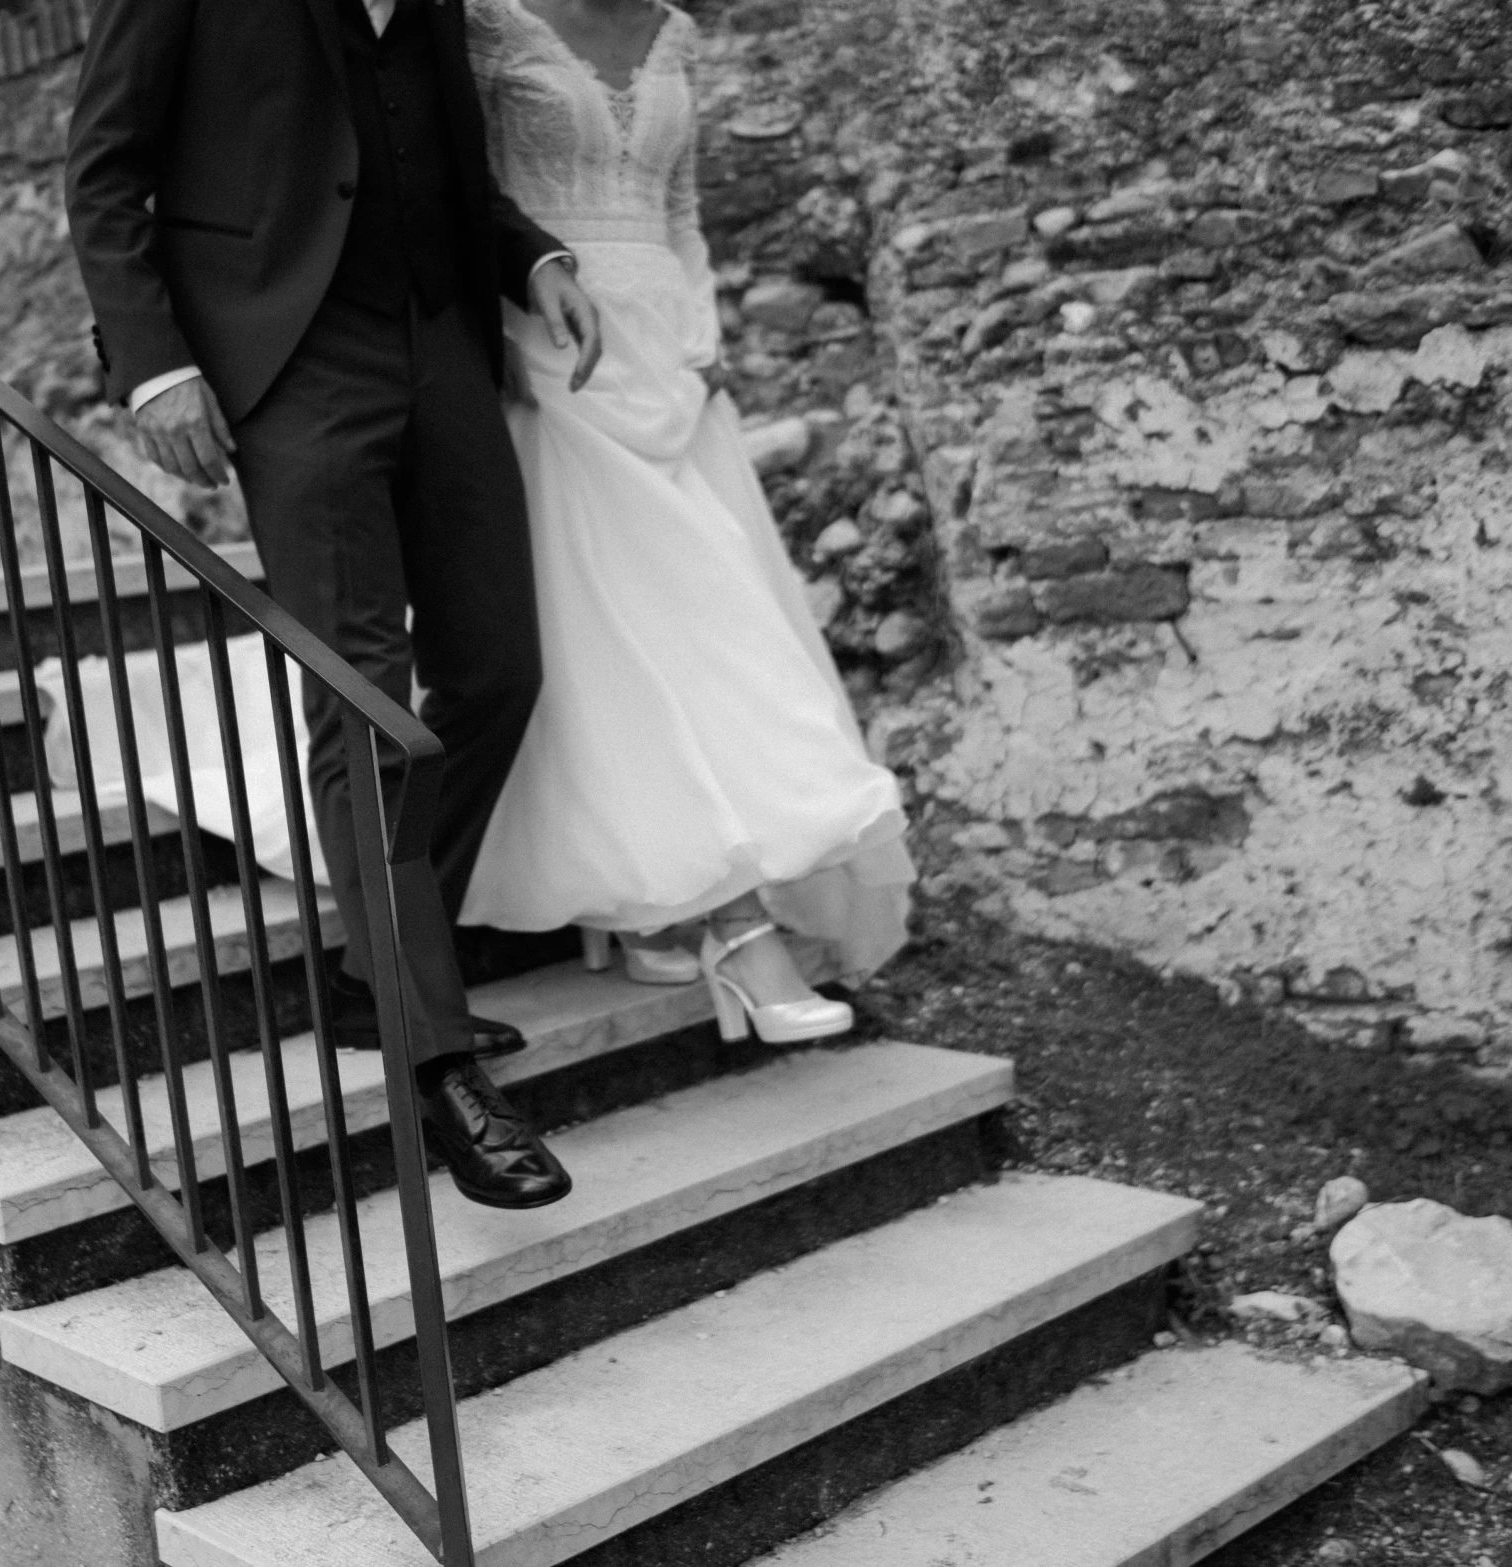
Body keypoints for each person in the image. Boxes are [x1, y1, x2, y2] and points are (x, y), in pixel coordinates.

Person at [64, 0, 607, 1210]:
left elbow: (438, 157)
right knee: (359, 700)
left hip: (439, 345)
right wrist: (155, 361)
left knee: (497, 669)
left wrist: (530, 260)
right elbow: (105, 172)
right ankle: (438, 1059)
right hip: (291, 365)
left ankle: (383, 966)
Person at [457, 0, 916, 1040]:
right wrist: (493, 343)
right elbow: (462, 194)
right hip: (549, 349)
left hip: (667, 352)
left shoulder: (675, 32)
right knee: (623, 627)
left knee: (712, 621)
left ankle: (654, 913)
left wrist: (704, 335)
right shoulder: (487, 20)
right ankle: (732, 930)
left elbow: (680, 204)